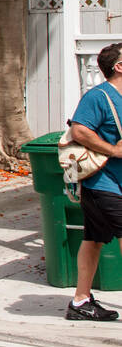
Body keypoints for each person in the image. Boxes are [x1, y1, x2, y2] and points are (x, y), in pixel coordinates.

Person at [65, 41, 122, 320]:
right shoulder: (98, 97)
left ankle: (80, 302)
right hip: (102, 182)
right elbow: (79, 130)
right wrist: (113, 150)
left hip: (115, 184)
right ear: (119, 67)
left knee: (93, 239)